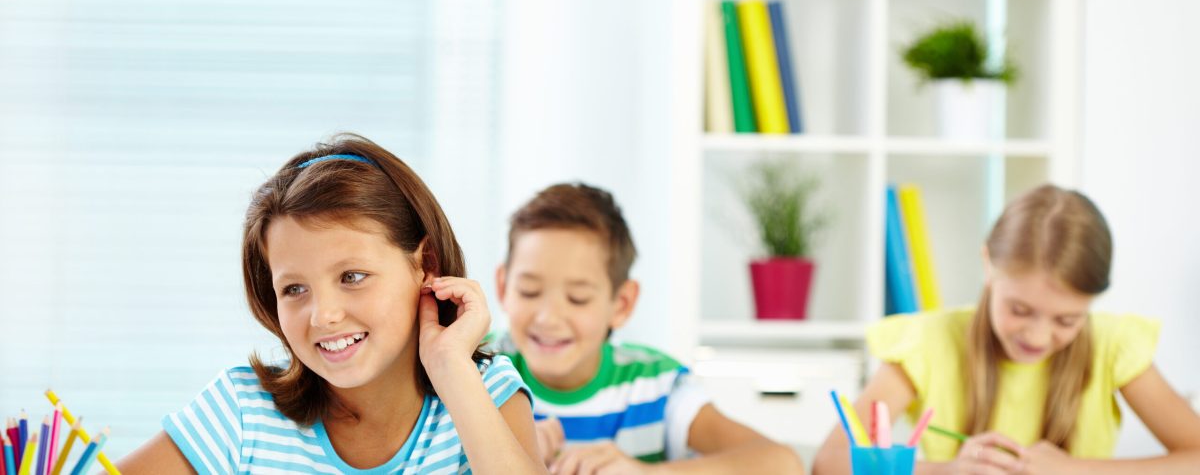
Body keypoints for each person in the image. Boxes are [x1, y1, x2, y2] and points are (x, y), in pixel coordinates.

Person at [119, 134, 544, 474]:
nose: (323, 315)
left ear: (425, 264)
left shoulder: (484, 393)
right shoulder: (241, 413)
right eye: (294, 289)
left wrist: (452, 368)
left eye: (352, 277)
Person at [813, 184, 1200, 474]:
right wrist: (947, 471)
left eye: (1066, 320)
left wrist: (1074, 470)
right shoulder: (926, 344)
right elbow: (829, 463)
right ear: (988, 266)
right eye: (1019, 309)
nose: (1037, 336)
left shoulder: (1113, 346)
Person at [490, 182, 803, 474]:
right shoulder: (477, 371)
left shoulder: (655, 384)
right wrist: (505, 458)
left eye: (577, 298)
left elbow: (782, 463)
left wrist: (644, 472)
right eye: (529, 292)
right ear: (503, 287)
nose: (548, 318)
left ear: (622, 303)